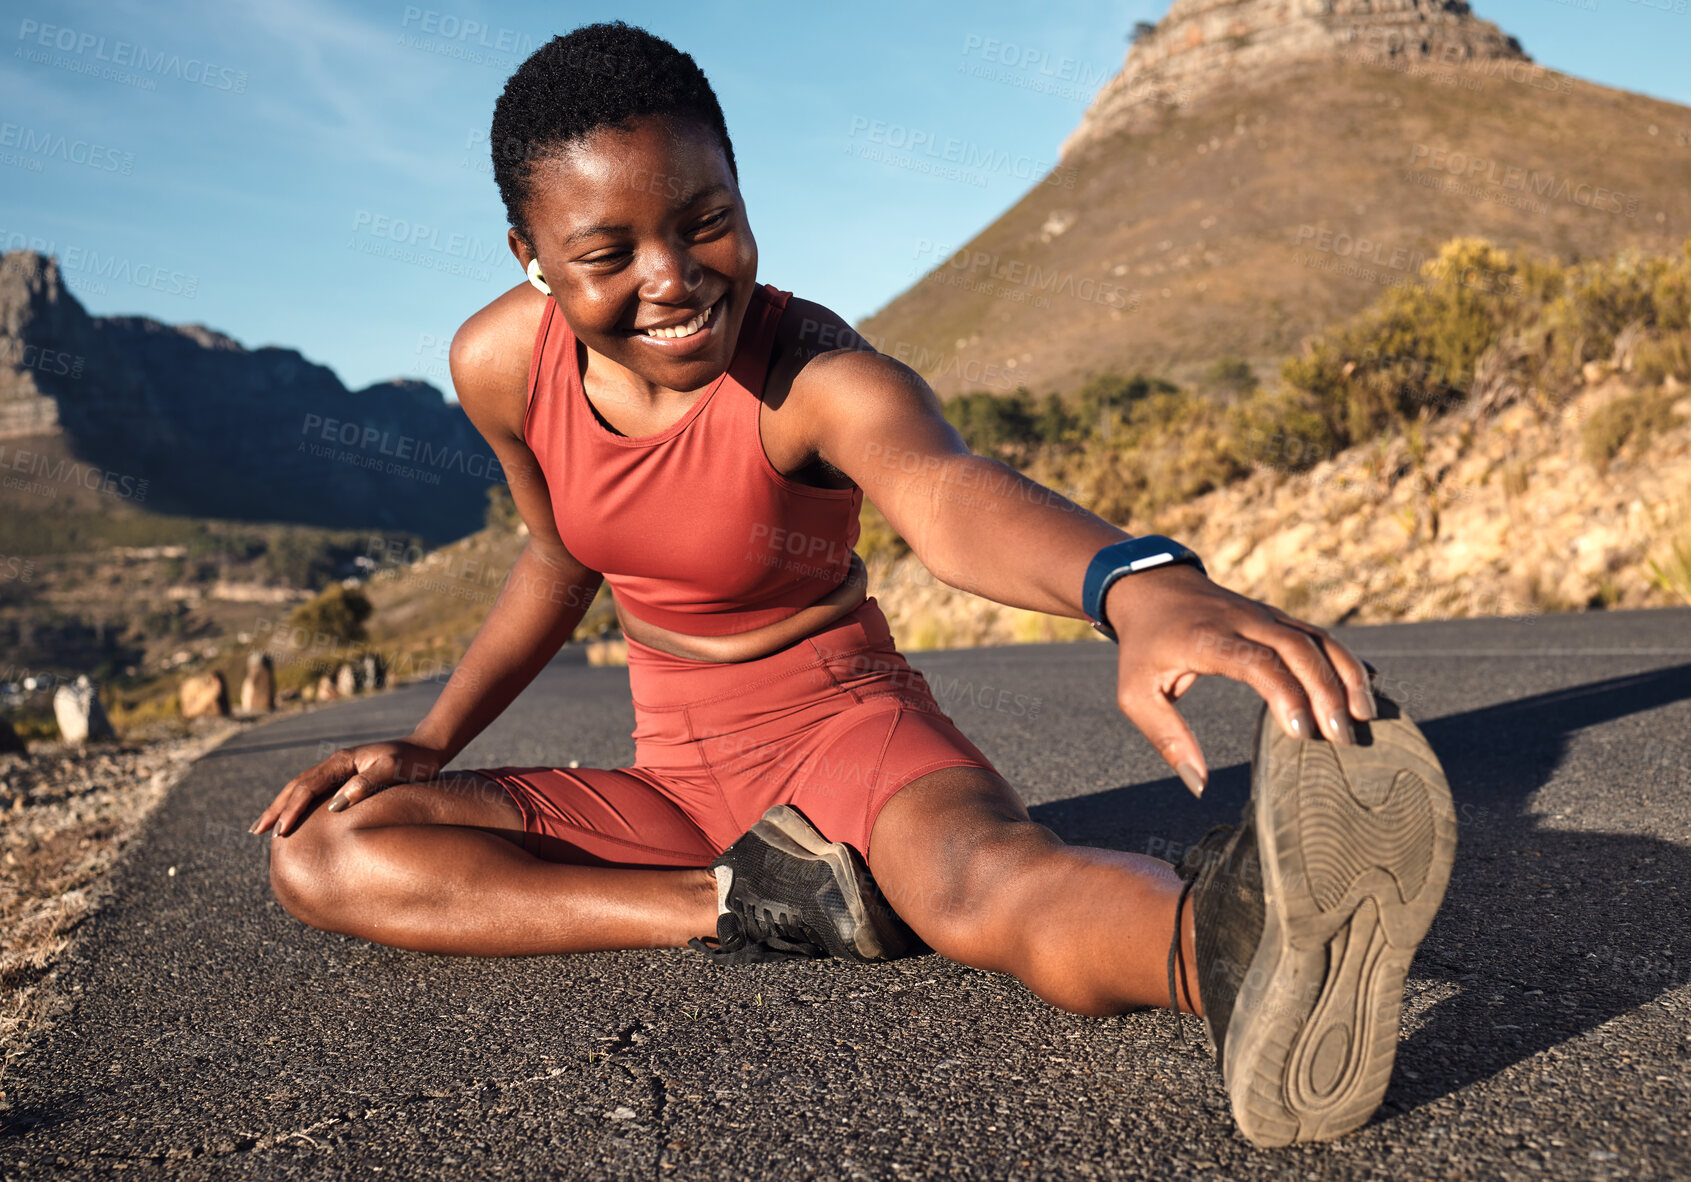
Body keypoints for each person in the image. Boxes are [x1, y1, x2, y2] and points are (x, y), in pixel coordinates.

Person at [251, 21, 1454, 1148]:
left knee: (984, 891)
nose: (671, 278)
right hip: (676, 780)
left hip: (844, 732)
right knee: (326, 853)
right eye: (607, 254)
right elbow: (561, 553)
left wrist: (1136, 587)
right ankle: (746, 904)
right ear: (531, 261)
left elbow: (947, 495)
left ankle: (1238, 949)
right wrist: (427, 742)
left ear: (738, 195)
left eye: (705, 220)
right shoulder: (498, 366)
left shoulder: (815, 372)